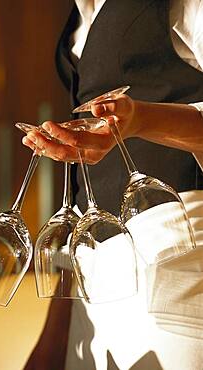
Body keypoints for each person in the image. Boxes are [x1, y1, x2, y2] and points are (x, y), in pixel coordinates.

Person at [23, 1, 203, 369]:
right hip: (92, 287)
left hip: (176, 259)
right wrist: (55, 334)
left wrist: (140, 120)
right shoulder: (76, 18)